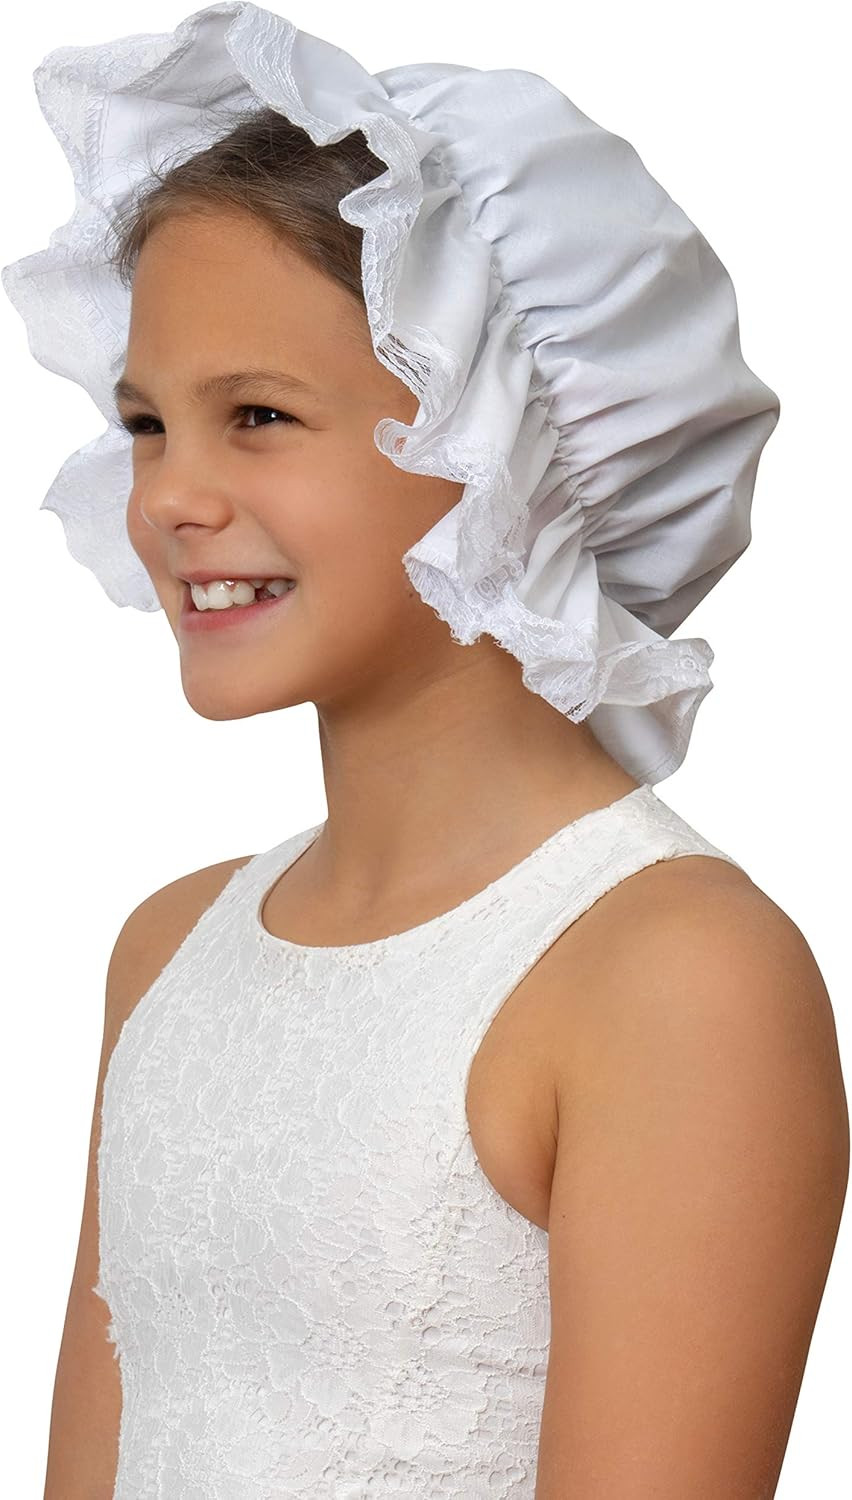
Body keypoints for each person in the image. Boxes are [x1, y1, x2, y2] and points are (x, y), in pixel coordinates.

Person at [4, 5, 848, 1497]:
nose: (170, 496)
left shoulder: (670, 977)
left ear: (500, 444)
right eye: (146, 424)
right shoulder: (167, 949)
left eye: (257, 415)